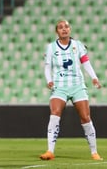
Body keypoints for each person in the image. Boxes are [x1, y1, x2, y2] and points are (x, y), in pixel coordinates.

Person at [40, 19, 103, 161]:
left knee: (85, 118)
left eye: (66, 26)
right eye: (61, 27)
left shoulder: (78, 45)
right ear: (57, 31)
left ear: (70, 29)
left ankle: (94, 152)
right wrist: (49, 80)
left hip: (77, 85)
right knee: (55, 113)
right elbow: (47, 66)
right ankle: (50, 151)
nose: (64, 29)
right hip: (59, 85)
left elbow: (86, 62)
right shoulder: (51, 47)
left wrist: (94, 77)